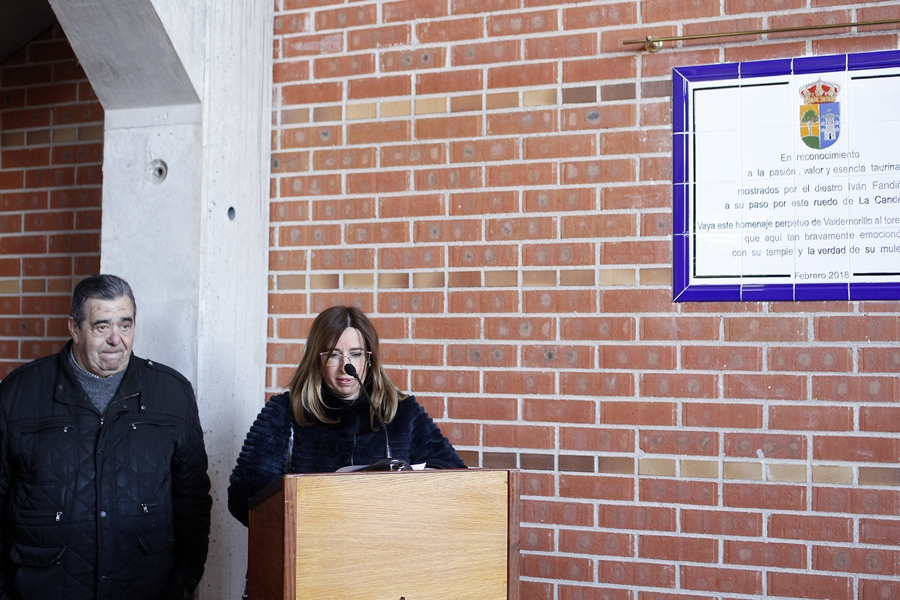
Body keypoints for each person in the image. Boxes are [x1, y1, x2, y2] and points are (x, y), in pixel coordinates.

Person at [0, 275, 212, 600]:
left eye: (125, 326)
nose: (116, 339)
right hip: (41, 588)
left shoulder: (172, 393)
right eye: (102, 327)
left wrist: (186, 577)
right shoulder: (19, 393)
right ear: (74, 328)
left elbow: (192, 496)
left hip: (147, 588)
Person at [227, 305, 465, 526]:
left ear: (369, 359)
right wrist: (310, 506)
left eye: (356, 354)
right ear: (317, 360)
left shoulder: (402, 411)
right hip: (311, 555)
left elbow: (453, 474)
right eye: (333, 355)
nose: (346, 366)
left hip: (387, 554)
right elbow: (243, 496)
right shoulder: (284, 413)